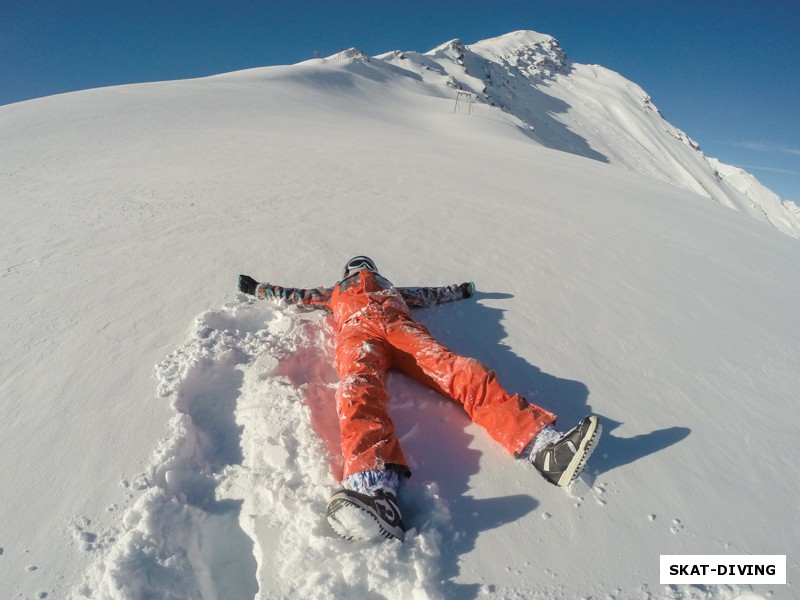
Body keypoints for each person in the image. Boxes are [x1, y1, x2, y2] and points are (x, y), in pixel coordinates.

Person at [238, 256, 601, 542]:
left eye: (366, 266)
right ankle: (374, 489)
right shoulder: (331, 292)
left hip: (400, 330)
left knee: (460, 369)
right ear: (347, 272)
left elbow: (430, 295)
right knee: (358, 389)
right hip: (357, 333)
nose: (361, 270)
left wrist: (460, 289)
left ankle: (544, 447)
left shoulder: (393, 289)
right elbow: (294, 296)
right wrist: (259, 288)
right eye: (356, 267)